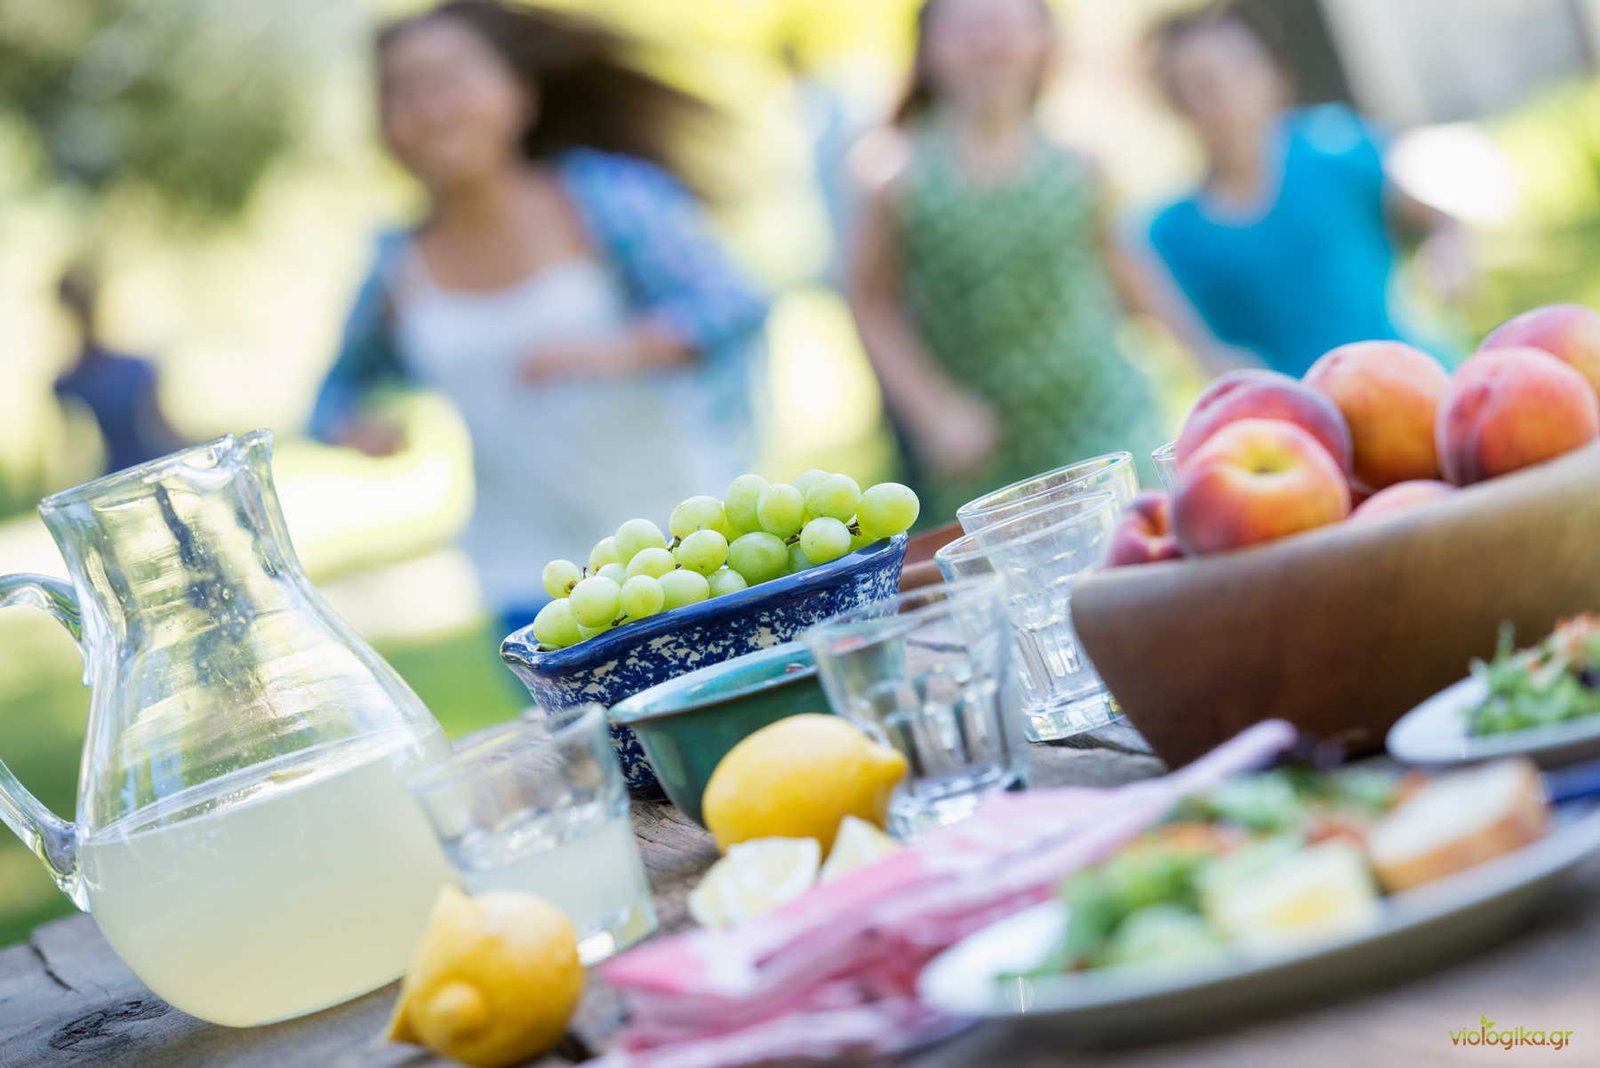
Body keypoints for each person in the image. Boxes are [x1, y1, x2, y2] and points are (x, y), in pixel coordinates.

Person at [311, 0, 768, 638]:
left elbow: (732, 304)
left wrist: (621, 350)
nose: (430, 107)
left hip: (681, 541)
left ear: (518, 95)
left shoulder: (606, 198)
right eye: (402, 91)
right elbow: (331, 397)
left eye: (448, 79)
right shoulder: (397, 267)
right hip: (529, 580)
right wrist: (357, 430)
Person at [848, 0, 1175, 523]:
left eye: (1004, 27)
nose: (989, 46)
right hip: (985, 440)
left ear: (1044, 42)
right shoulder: (895, 174)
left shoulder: (1079, 164)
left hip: (1104, 416)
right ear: (927, 51)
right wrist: (934, 411)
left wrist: (1209, 356)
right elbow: (870, 301)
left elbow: (1138, 281)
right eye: (967, 31)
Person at [1144, 5, 1470, 378]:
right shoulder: (1170, 234)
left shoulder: (1334, 147)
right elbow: (1196, 347)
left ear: (1273, 74)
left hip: (1410, 381)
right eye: (1201, 85)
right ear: (1177, 107)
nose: (1226, 96)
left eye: (1239, 68)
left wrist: (1446, 255)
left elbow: (1439, 222)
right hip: (1295, 423)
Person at [54, 264, 184, 475]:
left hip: (150, 466)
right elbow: (73, 447)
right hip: (112, 476)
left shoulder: (134, 369)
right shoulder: (69, 383)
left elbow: (161, 425)